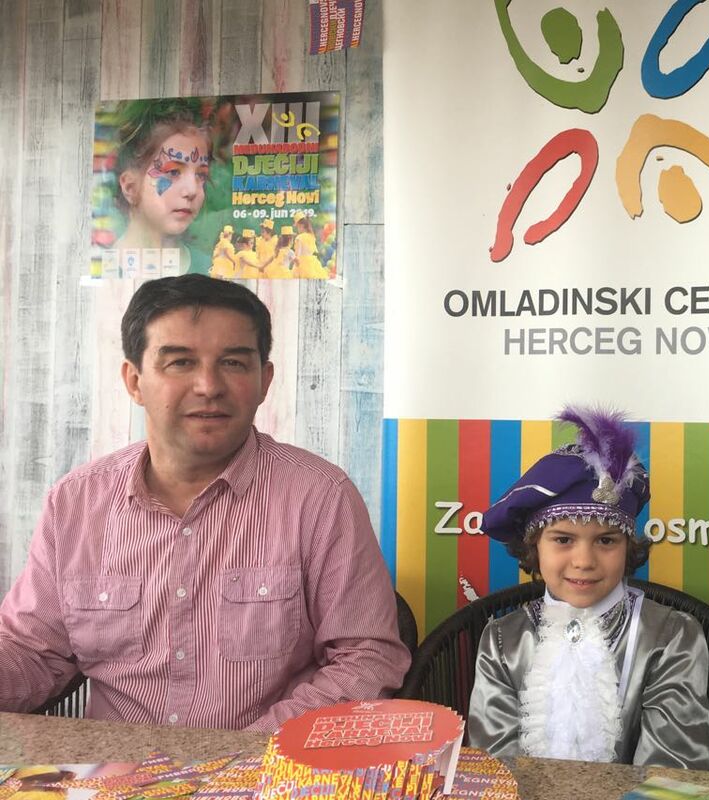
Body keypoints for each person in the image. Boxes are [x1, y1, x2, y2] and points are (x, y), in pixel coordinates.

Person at [0, 274, 409, 731]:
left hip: (264, 764)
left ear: (264, 380)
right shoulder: (75, 502)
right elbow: (32, 652)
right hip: (112, 766)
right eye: (180, 362)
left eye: (233, 362)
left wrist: (242, 752)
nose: (208, 385)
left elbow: (367, 659)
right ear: (134, 381)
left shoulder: (320, 497)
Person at [468, 407, 709, 768]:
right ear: (534, 546)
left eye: (606, 541)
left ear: (628, 546)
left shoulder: (672, 636)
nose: (584, 561)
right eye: (563, 539)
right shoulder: (502, 640)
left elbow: (672, 773)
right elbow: (494, 769)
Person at [111, 101, 211, 272]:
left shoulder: (213, 270)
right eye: (173, 172)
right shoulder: (98, 266)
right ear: (130, 187)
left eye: (201, 175)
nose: (192, 190)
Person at [291, 214, 329, 280]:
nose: (297, 229)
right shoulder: (312, 236)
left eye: (297, 227)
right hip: (312, 263)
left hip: (301, 265)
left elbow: (297, 255)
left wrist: (292, 260)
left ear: (301, 226)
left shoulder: (299, 238)